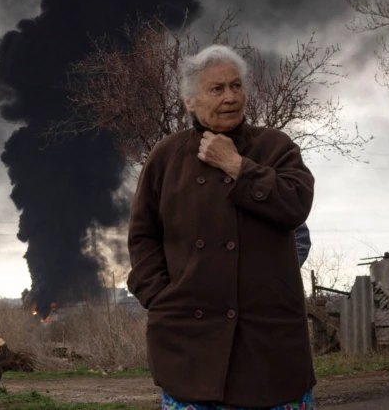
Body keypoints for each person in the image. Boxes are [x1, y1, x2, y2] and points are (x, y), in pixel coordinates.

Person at [127, 44, 316, 410]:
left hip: (269, 346)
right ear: (189, 101)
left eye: (236, 86)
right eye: (217, 89)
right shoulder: (166, 157)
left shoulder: (275, 147)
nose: (230, 97)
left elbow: (296, 204)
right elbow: (143, 235)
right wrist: (159, 297)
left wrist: (237, 166)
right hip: (189, 344)